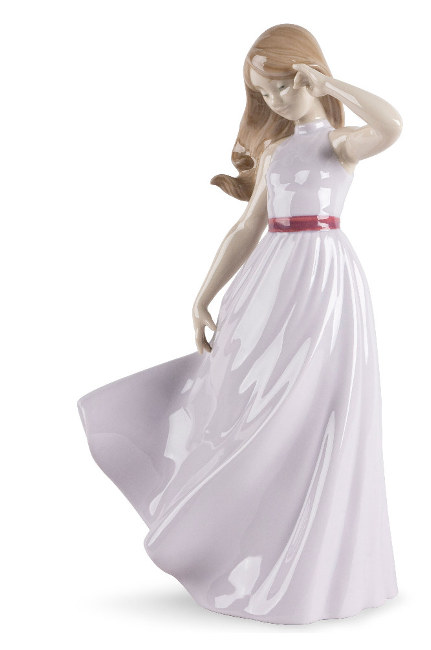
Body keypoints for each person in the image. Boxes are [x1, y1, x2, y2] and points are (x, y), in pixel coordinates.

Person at [77, 23, 402, 625]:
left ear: (309, 75)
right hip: (269, 281)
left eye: (284, 85)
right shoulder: (276, 152)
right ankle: (243, 540)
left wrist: (330, 85)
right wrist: (203, 296)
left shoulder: (339, 144)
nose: (276, 100)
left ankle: (312, 560)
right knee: (245, 401)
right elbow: (248, 226)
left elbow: (392, 125)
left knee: (317, 409)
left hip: (325, 282)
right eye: (263, 92)